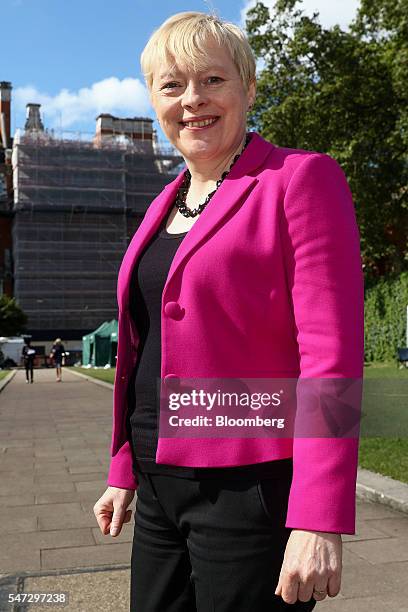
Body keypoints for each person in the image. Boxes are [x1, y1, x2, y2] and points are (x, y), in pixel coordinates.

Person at [93, 11, 364, 611]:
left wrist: (319, 517)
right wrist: (122, 469)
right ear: (154, 101)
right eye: (172, 85)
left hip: (250, 487)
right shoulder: (161, 204)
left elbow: (332, 359)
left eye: (212, 80)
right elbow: (143, 349)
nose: (192, 100)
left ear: (248, 88)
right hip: (159, 484)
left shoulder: (300, 180)